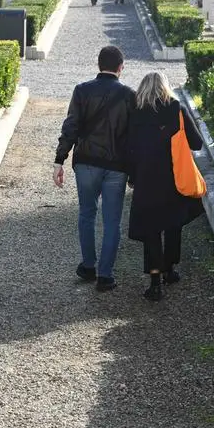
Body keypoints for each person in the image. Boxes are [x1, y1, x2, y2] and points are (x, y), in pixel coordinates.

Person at [54, 46, 136, 292]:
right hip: (116, 165)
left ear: (98, 65)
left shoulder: (81, 91)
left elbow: (71, 127)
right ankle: (105, 275)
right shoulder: (129, 96)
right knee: (112, 221)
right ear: (121, 67)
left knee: (87, 214)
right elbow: (133, 137)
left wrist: (59, 160)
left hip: (87, 161)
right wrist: (135, 170)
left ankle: (88, 265)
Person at [126, 72, 204, 302]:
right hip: (173, 178)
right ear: (165, 88)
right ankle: (170, 269)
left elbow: (129, 148)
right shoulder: (176, 109)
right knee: (172, 225)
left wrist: (132, 176)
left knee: (151, 230)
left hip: (146, 180)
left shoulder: (136, 112)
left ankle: (155, 281)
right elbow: (197, 142)